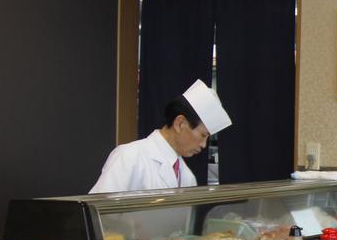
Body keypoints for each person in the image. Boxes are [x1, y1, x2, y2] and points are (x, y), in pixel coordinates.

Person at [90, 79, 232, 194]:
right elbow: (97, 214)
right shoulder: (129, 157)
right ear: (180, 123)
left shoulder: (187, 176)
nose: (203, 145)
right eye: (203, 135)